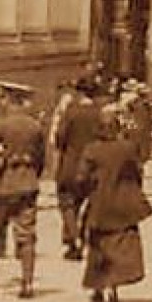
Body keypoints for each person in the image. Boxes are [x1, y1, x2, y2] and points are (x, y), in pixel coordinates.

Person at [0, 83, 45, 299]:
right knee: (26, 235)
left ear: (8, 100)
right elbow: (42, 158)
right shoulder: (35, 125)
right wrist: (32, 174)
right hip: (28, 184)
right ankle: (27, 283)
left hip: (2, 185)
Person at [79, 111, 152, 302]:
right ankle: (115, 283)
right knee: (124, 242)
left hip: (101, 203)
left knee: (97, 245)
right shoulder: (127, 148)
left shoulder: (92, 150)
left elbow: (81, 178)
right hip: (124, 204)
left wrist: (86, 192)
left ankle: (98, 287)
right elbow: (138, 171)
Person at [55, 81, 101, 261]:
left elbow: (60, 137)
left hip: (71, 165)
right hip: (93, 166)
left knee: (67, 204)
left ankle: (74, 239)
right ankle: (80, 236)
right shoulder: (99, 114)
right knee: (87, 204)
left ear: (79, 93)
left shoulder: (71, 112)